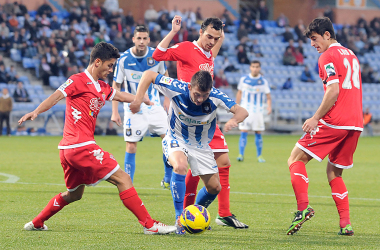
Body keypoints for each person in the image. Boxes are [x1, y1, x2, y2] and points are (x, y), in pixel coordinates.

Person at [19, 42, 176, 235]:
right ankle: (149, 224)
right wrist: (35, 111)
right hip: (81, 146)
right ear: (97, 62)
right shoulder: (77, 80)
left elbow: (119, 95)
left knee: (74, 194)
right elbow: (56, 96)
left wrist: (140, 97)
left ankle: (37, 222)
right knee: (123, 179)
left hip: (68, 151)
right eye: (109, 65)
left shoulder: (101, 87)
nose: (111, 70)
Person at [153, 16, 249, 229]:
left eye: (216, 38)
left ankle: (202, 215)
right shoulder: (187, 48)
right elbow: (157, 54)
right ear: (200, 31)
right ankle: (189, 214)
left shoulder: (208, 54)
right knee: (193, 167)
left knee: (222, 162)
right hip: (187, 113)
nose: (212, 41)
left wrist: (219, 31)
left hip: (205, 116)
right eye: (208, 36)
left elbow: (215, 45)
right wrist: (173, 32)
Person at [130, 70, 248, 234]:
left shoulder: (216, 96)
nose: (200, 100)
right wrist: (137, 99)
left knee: (214, 188)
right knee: (179, 166)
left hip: (201, 146)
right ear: (189, 86)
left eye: (204, 95)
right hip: (176, 138)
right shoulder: (177, 88)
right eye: (197, 94)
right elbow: (149, 75)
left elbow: (242, 111)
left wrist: (234, 120)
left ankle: (193, 214)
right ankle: (180, 218)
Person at [286, 17, 363, 236]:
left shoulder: (327, 56)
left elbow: (334, 90)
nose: (312, 44)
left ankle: (302, 208)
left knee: (295, 159)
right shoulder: (351, 55)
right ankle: (345, 224)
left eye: (314, 38)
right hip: (355, 123)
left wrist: (316, 118)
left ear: (327, 35)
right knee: (334, 173)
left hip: (335, 120)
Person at [111, 25, 169, 183]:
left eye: (144, 38)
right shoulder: (123, 59)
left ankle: (168, 178)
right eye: (139, 38)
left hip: (154, 105)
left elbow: (165, 76)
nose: (142, 41)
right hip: (133, 108)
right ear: (133, 39)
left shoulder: (156, 56)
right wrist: (114, 111)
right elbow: (116, 86)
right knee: (131, 146)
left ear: (148, 40)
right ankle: (128, 182)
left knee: (169, 140)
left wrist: (167, 99)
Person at [236, 60, 271, 163]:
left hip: (258, 111)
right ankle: (241, 154)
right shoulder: (244, 80)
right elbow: (239, 92)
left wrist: (269, 107)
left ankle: (259, 156)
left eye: (257, 67)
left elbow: (268, 96)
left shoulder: (263, 81)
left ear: (259, 68)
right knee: (243, 131)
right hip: (245, 109)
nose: (255, 69)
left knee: (258, 132)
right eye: (253, 66)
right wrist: (236, 106)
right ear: (250, 67)